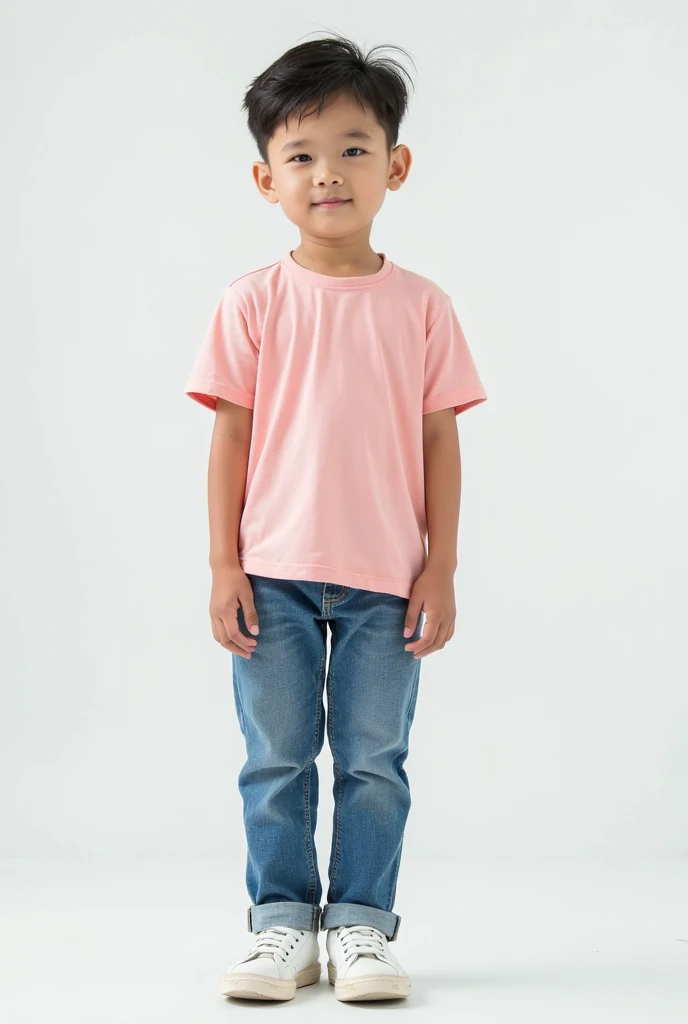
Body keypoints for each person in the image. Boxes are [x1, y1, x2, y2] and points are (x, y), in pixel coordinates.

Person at [185, 33, 488, 1003]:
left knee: (372, 759)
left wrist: (439, 566)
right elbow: (230, 440)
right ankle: (281, 922)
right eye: (301, 155)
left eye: (354, 149)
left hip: (387, 577)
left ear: (395, 166)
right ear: (264, 177)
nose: (328, 174)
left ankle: (360, 924)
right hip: (269, 571)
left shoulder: (422, 306)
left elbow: (441, 440)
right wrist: (223, 564)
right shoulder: (253, 301)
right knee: (274, 757)